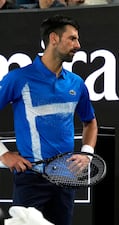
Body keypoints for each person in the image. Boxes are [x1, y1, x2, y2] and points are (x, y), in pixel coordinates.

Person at [0, 15, 98, 225]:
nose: (78, 45)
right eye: (72, 39)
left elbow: (90, 122)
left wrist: (87, 154)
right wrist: (4, 154)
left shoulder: (76, 83)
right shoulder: (18, 79)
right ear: (54, 38)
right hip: (30, 179)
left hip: (65, 178)